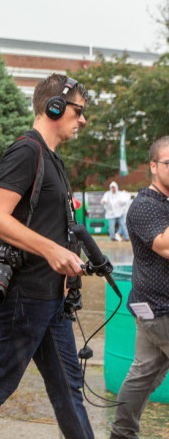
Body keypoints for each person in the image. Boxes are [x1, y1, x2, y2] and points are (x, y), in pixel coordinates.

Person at [0, 74, 93, 438]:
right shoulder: (27, 150)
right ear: (53, 107)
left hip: (51, 298)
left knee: (68, 389)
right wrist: (51, 249)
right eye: (78, 110)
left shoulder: (52, 157)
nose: (83, 120)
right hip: (24, 296)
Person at [109, 136, 169, 439]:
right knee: (142, 374)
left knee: (143, 374)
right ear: (153, 167)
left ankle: (121, 433)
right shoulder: (145, 206)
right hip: (161, 309)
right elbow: (166, 246)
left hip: (153, 308)